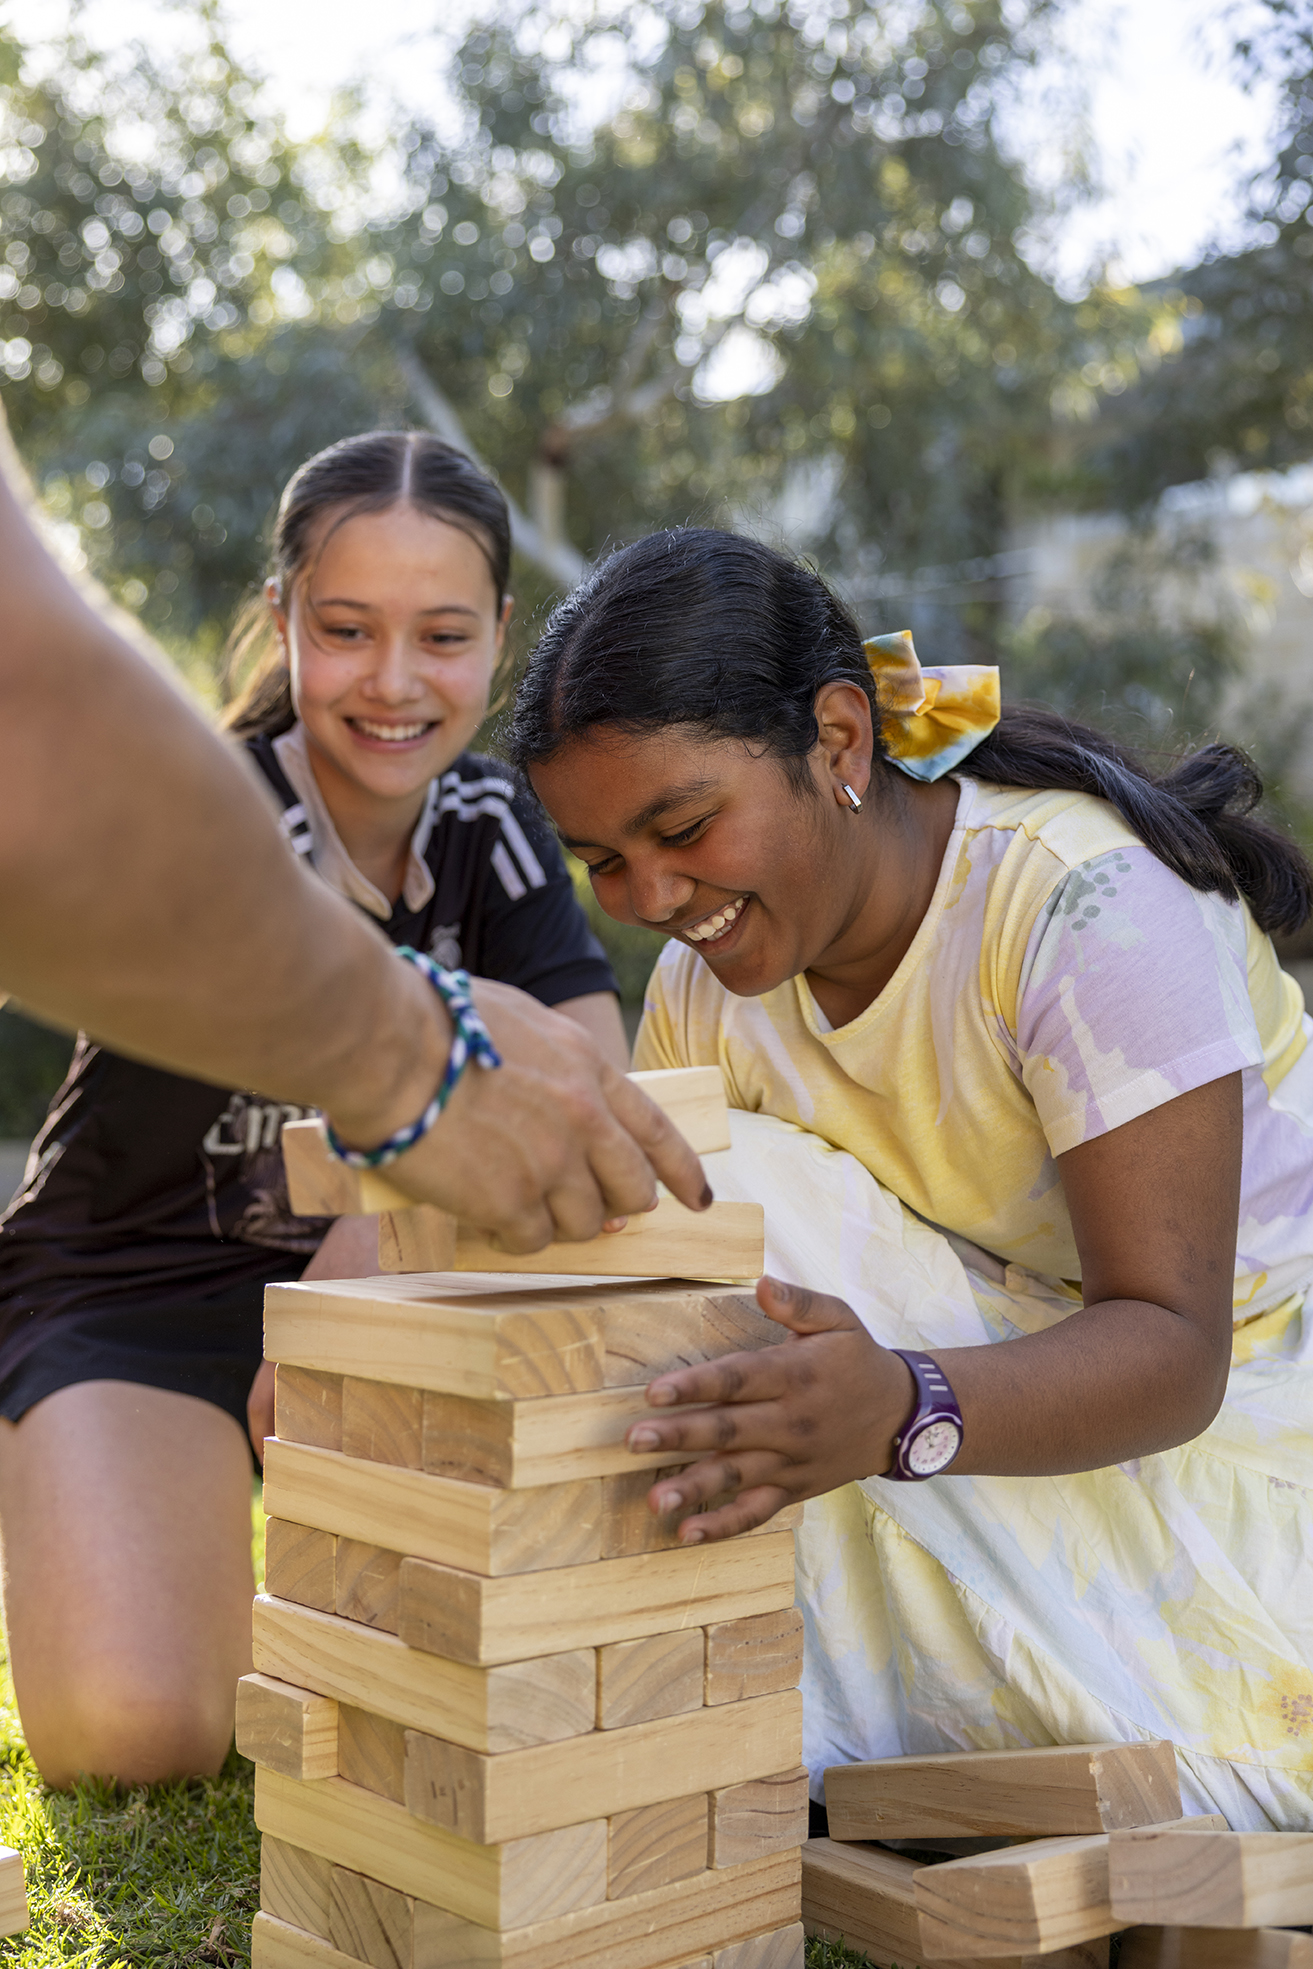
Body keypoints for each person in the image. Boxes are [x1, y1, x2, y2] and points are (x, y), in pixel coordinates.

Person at [509, 525, 1313, 1831]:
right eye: (601, 859)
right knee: (679, 1193)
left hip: (1244, 1451)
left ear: (837, 741)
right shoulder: (704, 990)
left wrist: (900, 1403)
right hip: (971, 1418)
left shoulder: (1076, 903)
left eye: (684, 826)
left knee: (726, 1184)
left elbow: (1175, 1347)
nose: (649, 894)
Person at [0, 431, 654, 1791]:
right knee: (139, 1736)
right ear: (282, 614)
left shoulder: (492, 820)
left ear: (499, 637)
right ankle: (125, 1517)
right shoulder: (212, 808)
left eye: (443, 634)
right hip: (135, 1288)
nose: (397, 681)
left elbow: (591, 1075)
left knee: (419, 1709)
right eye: (347, 629)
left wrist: (368, 1252)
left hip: (373, 1297)